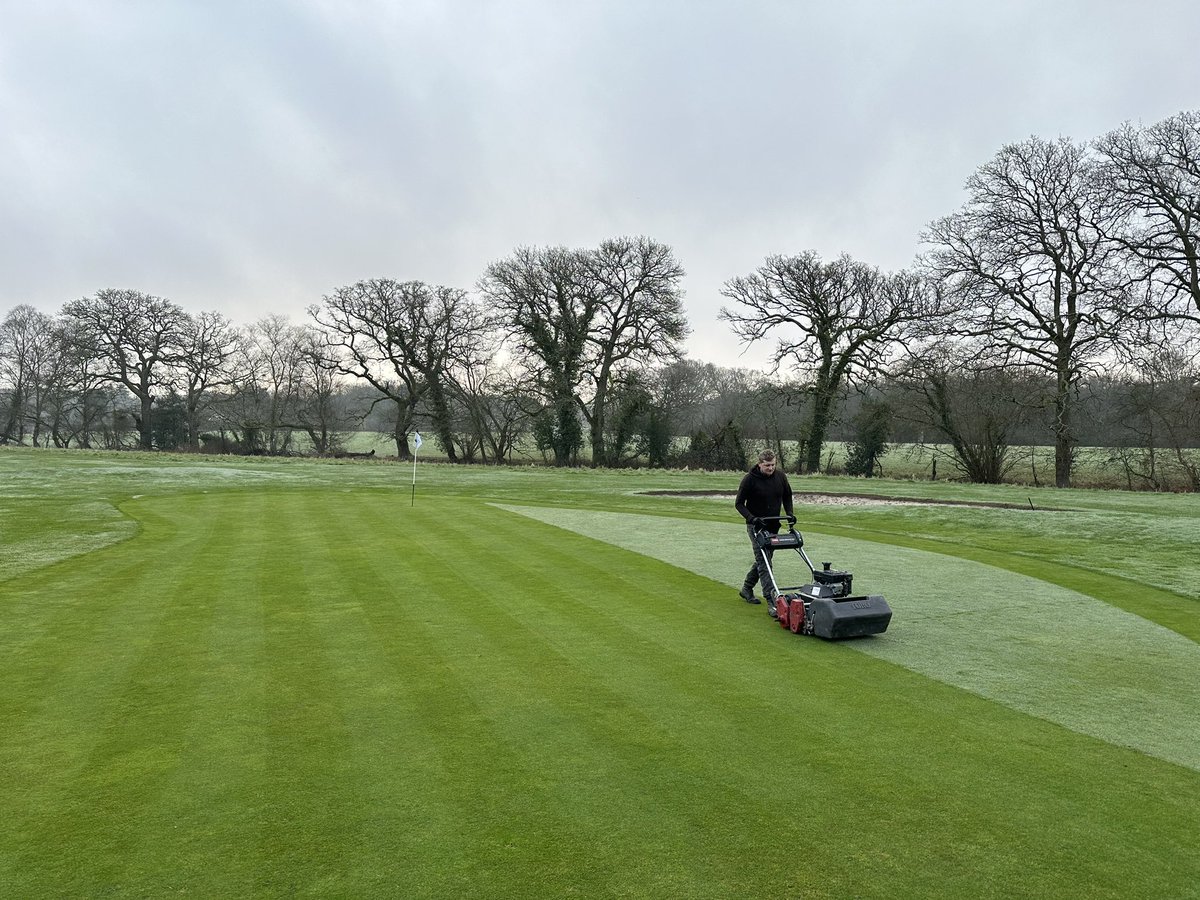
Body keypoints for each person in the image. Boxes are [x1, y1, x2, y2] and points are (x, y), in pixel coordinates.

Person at [734, 449, 795, 616]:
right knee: (764, 561)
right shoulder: (749, 479)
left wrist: (789, 513)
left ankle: (746, 588)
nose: (770, 468)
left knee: (765, 560)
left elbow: (787, 495)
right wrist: (752, 518)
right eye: (767, 465)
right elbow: (739, 504)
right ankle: (771, 601)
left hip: (773, 525)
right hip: (756, 527)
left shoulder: (780, 477)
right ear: (759, 464)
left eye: (773, 465)